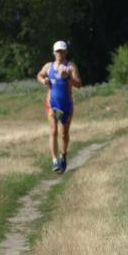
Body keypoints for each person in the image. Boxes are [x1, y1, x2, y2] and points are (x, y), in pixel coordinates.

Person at [36, 41, 82, 173]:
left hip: (66, 105)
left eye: (62, 51)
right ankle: (55, 161)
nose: (60, 54)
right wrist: (43, 80)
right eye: (57, 51)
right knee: (53, 131)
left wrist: (67, 78)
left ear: (66, 52)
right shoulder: (48, 66)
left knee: (64, 134)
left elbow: (79, 84)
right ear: (53, 53)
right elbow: (39, 75)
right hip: (52, 104)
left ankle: (63, 155)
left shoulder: (70, 67)